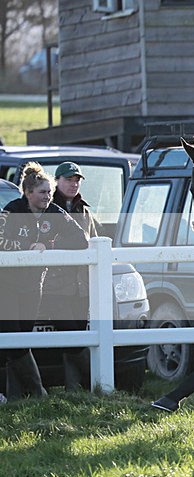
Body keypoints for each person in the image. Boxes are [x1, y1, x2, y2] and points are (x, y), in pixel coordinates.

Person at [0, 162, 88, 400]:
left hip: (33, 285)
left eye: (49, 192)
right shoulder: (12, 209)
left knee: (23, 340)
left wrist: (50, 246)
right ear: (28, 193)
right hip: (6, 286)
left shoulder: (54, 213)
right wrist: (25, 247)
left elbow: (82, 240)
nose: (47, 197)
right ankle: (38, 393)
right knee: (12, 337)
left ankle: (19, 398)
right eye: (42, 192)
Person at [40, 162, 98, 390]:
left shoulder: (84, 210)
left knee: (78, 334)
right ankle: (96, 378)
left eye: (77, 180)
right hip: (55, 284)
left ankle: (73, 387)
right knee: (70, 334)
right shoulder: (46, 207)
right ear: (57, 181)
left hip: (81, 284)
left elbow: (93, 241)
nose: (73, 184)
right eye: (68, 180)